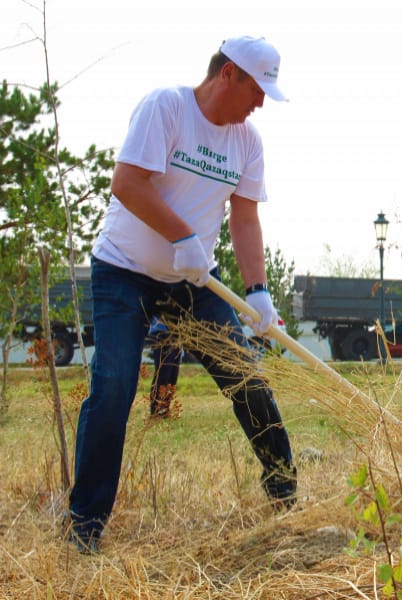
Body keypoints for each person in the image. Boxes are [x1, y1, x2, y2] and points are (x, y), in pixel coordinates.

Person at [66, 36, 296, 553]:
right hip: (123, 271)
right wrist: (182, 236)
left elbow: (244, 216)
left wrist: (258, 291)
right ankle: (85, 525)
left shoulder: (248, 141)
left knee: (245, 376)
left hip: (193, 282)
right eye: (258, 89)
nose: (261, 102)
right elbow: (127, 182)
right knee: (114, 387)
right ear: (229, 74)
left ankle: (285, 491)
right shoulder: (165, 108)